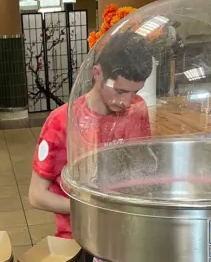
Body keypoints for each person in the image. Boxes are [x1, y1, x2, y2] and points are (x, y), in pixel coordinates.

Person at [28, 32, 153, 243]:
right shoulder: (62, 121)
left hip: (128, 234)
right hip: (80, 237)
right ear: (97, 73)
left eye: (134, 92)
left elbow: (142, 170)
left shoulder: (137, 109)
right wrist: (93, 210)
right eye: (120, 91)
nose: (126, 101)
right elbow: (36, 195)